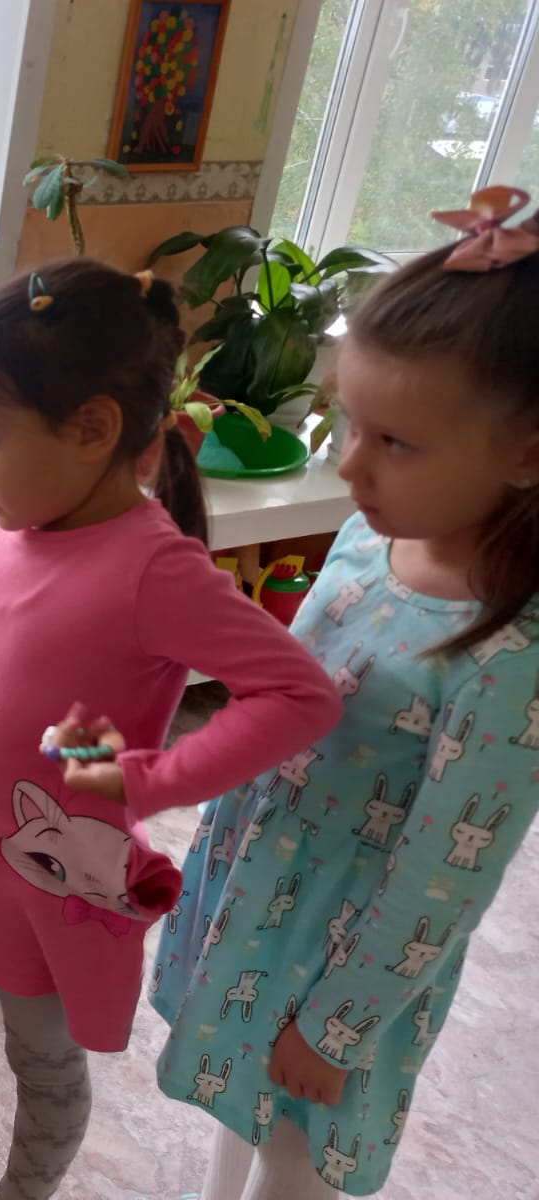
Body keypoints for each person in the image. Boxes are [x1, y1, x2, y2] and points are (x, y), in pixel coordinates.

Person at [0, 259, 344, 1200]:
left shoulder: (156, 571)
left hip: (55, 873)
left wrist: (152, 779)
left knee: (40, 1055)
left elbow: (300, 696)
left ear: (93, 429)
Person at [152, 186, 539, 1199]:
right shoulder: (370, 535)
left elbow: (444, 883)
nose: (349, 466)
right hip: (260, 889)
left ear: (528, 452)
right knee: (237, 1098)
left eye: (394, 442)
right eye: (349, 424)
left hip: (342, 958)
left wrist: (338, 1026)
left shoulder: (510, 657)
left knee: (295, 1157)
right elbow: (291, 688)